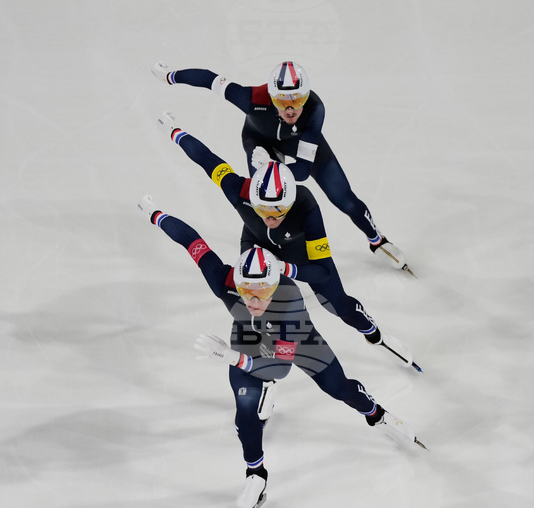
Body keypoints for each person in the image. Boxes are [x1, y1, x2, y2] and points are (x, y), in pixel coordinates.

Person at [136, 194, 423, 508]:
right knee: (244, 409)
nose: (253, 300)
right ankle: (256, 474)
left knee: (337, 387)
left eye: (261, 294)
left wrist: (231, 357)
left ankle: (378, 415)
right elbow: (192, 242)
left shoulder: (288, 305)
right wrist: (155, 213)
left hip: (296, 343)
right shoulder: (224, 280)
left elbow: (280, 366)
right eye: (247, 293)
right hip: (248, 338)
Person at [156, 111, 420, 372]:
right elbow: (208, 161)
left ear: (290, 202)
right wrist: (175, 132)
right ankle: (263, 374)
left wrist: (287, 268)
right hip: (257, 246)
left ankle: (374, 334)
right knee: (252, 305)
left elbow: (323, 270)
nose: (271, 218)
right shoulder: (239, 190)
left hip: (299, 254)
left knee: (337, 304)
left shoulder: (305, 205)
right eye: (264, 211)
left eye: (279, 212)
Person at [152, 59, 412, 275]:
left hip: (301, 145)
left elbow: (303, 172)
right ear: (271, 96)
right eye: (283, 102)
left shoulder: (315, 110)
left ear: (306, 96)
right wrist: (170, 76)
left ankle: (377, 240)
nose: (290, 109)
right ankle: (279, 257)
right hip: (259, 144)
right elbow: (210, 79)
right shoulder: (251, 98)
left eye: (297, 100)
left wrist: (279, 168)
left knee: (345, 200)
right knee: (268, 202)